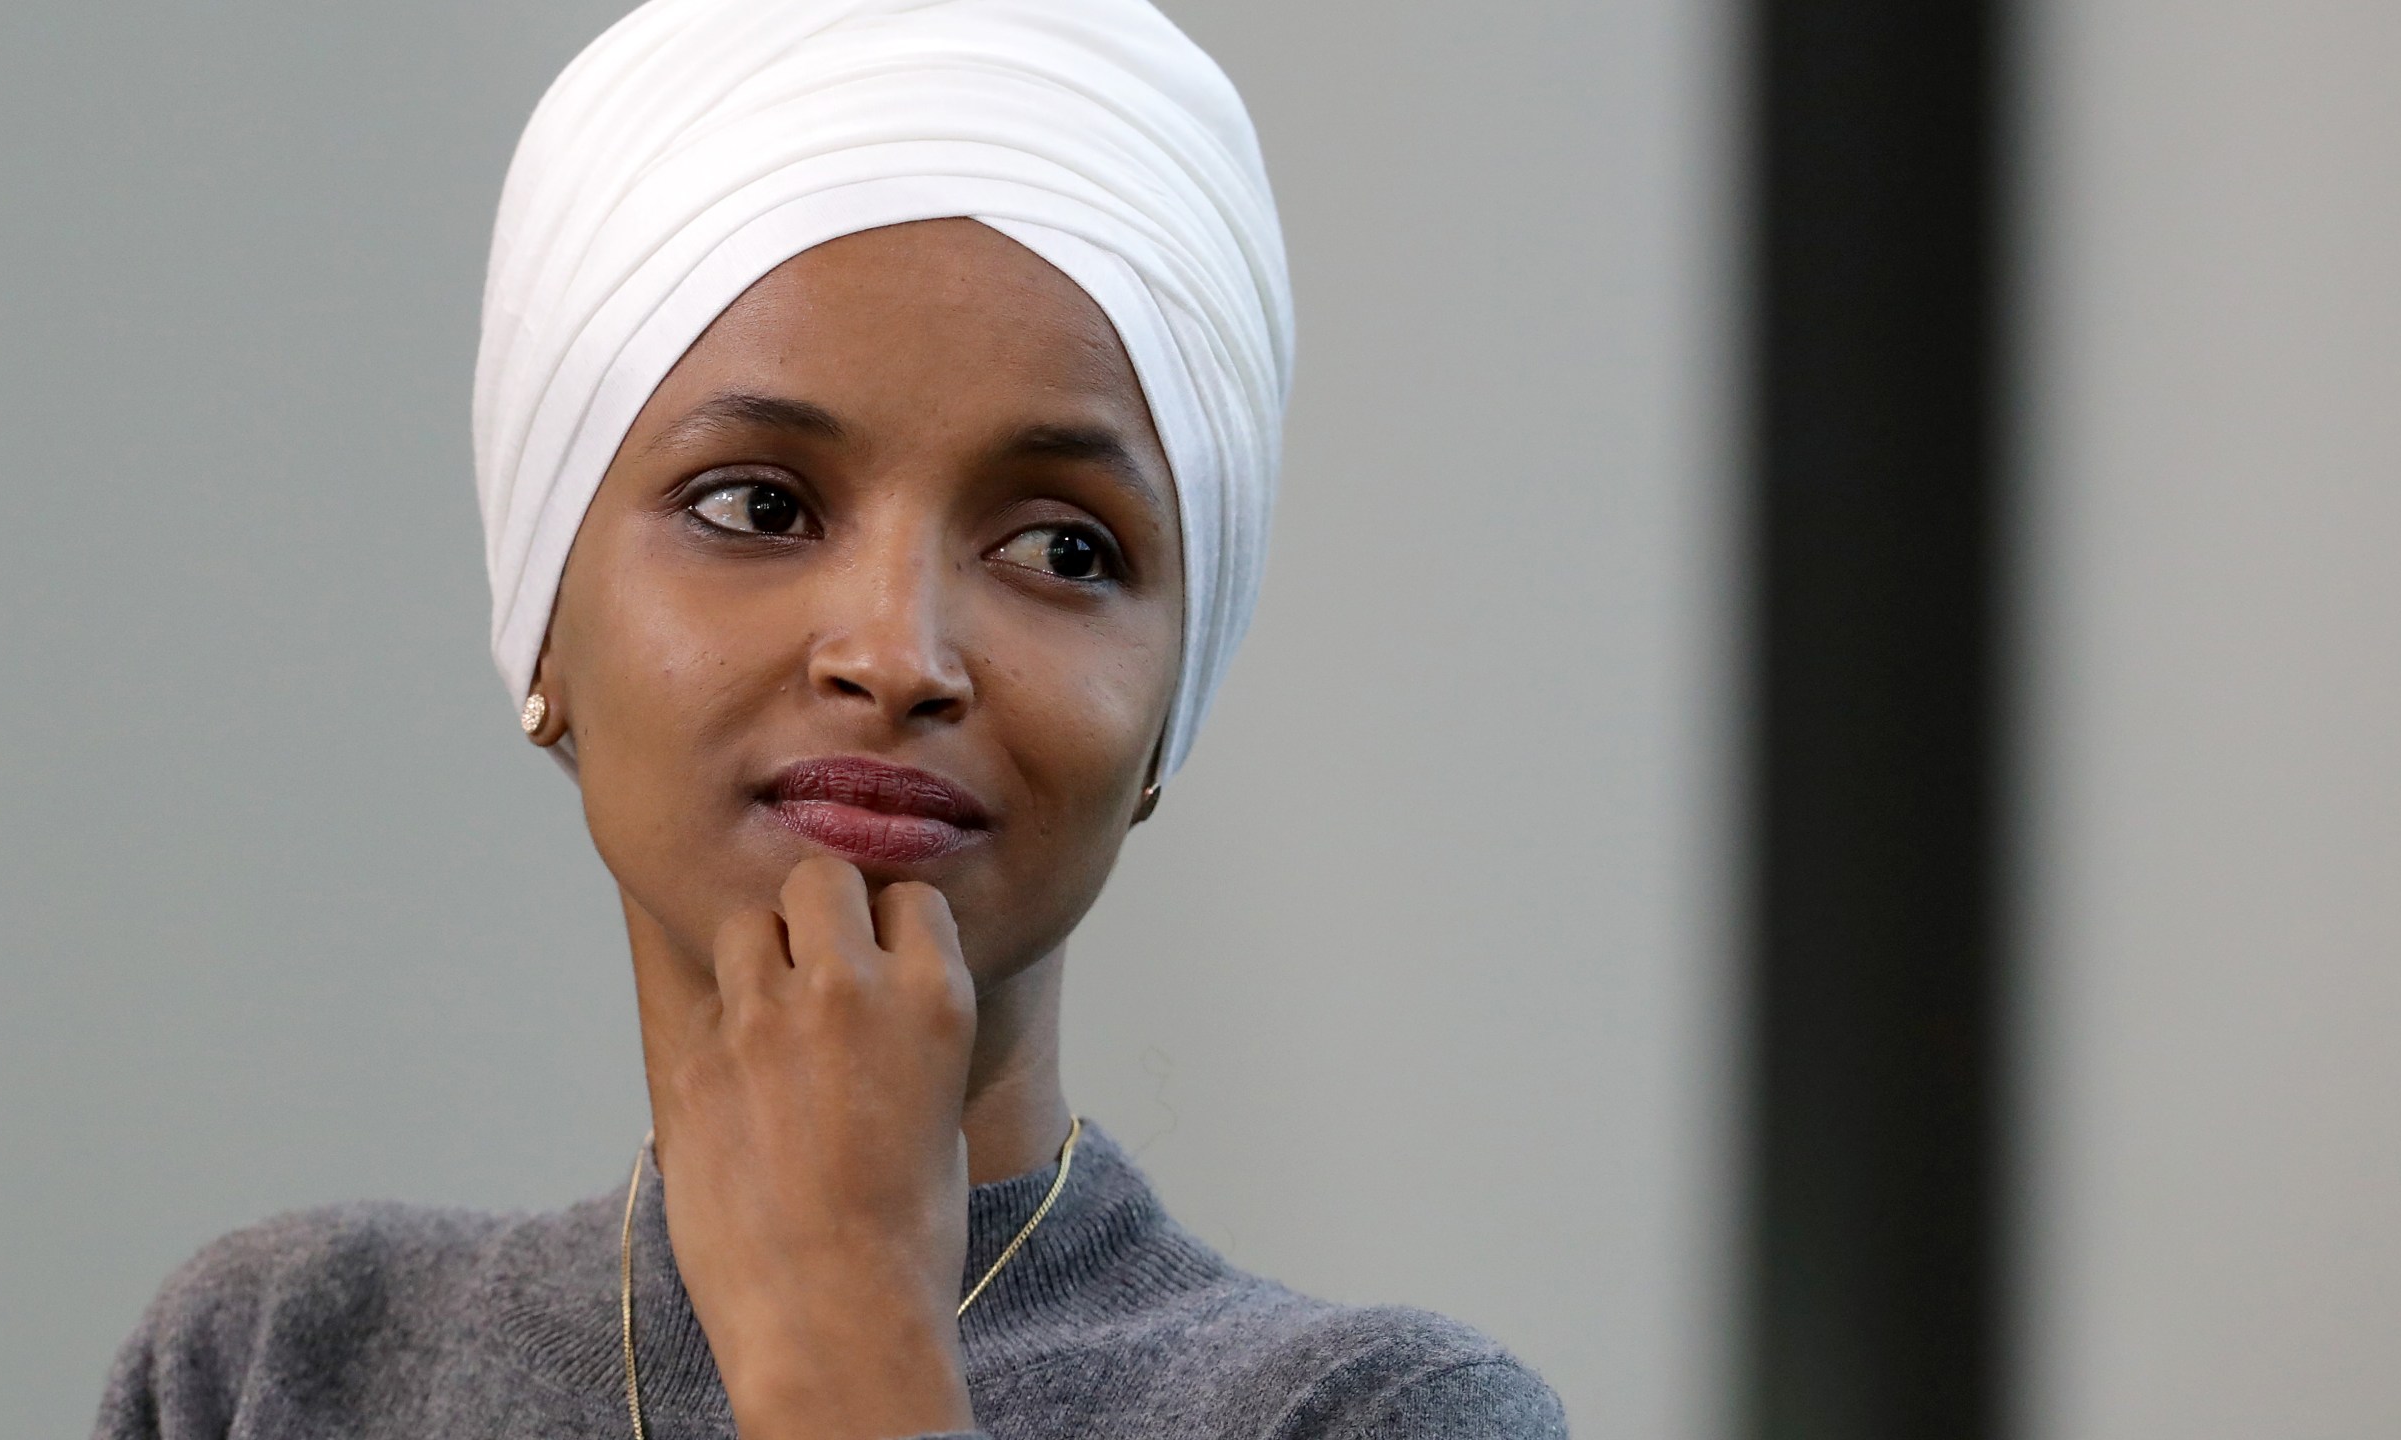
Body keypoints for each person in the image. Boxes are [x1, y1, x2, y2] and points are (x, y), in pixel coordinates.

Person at [95, 2, 1566, 1436]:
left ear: (1171, 704)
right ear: (543, 612)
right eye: (759, 506)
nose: (896, 654)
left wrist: (848, 1354)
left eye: (1065, 547)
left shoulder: (1376, 1415)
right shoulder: (281, 1364)